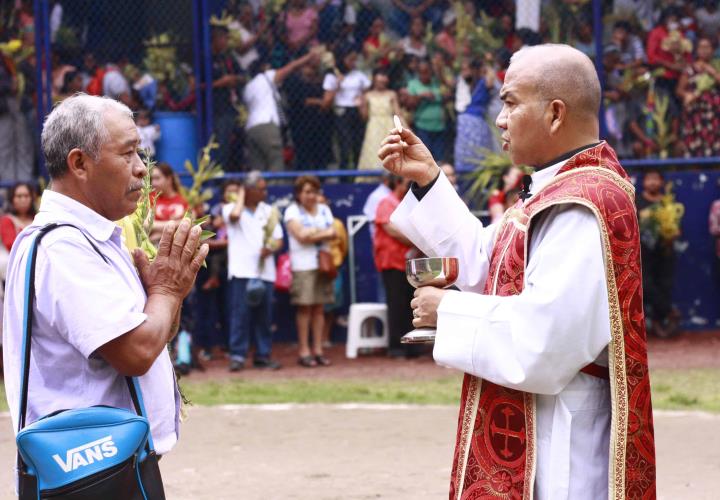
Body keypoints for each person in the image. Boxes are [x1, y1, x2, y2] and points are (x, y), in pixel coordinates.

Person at [379, 44, 655, 498]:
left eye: (510, 102)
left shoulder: (586, 204)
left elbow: (543, 344)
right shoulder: (554, 191)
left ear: (555, 113)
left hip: (563, 440)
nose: (499, 119)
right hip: (540, 419)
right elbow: (486, 263)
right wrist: (428, 179)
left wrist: (447, 310)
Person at [3, 94, 208, 463]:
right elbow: (136, 352)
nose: (142, 169)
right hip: (92, 472)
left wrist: (167, 297)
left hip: (111, 465)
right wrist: (165, 289)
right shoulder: (62, 246)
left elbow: (154, 333)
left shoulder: (95, 236)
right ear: (79, 163)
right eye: (128, 153)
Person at [222, 171, 284, 371]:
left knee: (264, 317)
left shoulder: (269, 210)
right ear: (248, 190)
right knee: (240, 316)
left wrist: (271, 248)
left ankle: (262, 355)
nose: (265, 192)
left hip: (265, 272)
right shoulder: (231, 207)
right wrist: (241, 194)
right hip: (241, 271)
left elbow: (278, 239)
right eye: (260, 189)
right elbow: (234, 217)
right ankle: (238, 355)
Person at [284, 175, 336, 367]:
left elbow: (335, 233)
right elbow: (301, 237)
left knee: (320, 308)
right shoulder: (291, 211)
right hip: (303, 265)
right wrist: (322, 233)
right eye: (307, 192)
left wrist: (311, 233)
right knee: (305, 308)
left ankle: (318, 350)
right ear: (298, 194)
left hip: (323, 264)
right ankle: (304, 351)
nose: (311, 196)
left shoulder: (324, 209)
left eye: (314, 191)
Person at [243, 49, 320, 172]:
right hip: (267, 124)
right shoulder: (265, 77)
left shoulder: (248, 87)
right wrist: (308, 57)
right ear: (263, 68)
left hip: (251, 128)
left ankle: (257, 190)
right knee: (276, 162)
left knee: (258, 167)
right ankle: (276, 190)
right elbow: (290, 67)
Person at [373, 175, 417, 358]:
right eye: (407, 183)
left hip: (411, 263)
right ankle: (395, 346)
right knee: (396, 304)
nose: (410, 188)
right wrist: (419, 240)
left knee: (411, 305)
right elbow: (394, 231)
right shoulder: (387, 202)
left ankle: (410, 346)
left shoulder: (410, 204)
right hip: (392, 262)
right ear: (397, 183)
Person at [637, 169, 680, 338]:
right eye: (650, 179)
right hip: (643, 252)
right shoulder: (637, 201)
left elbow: (676, 226)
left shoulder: (667, 203)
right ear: (644, 182)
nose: (653, 182)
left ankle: (657, 322)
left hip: (664, 251)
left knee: (664, 285)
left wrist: (672, 232)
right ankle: (670, 312)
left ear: (662, 182)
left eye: (656, 179)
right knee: (646, 285)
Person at [322, 45, 370, 169]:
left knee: (358, 145)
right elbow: (326, 102)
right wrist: (337, 85)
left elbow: (367, 90)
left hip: (357, 110)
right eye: (350, 60)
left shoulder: (358, 75)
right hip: (342, 112)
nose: (353, 63)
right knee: (345, 145)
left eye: (355, 60)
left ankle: (358, 175)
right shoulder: (332, 76)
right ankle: (344, 177)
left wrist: (362, 100)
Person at [676, 37, 720, 157]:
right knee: (695, 146)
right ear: (697, 50)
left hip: (714, 114)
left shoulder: (717, 66)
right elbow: (679, 90)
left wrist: (712, 72)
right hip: (695, 113)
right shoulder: (690, 69)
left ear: (712, 50)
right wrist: (687, 95)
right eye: (701, 47)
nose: (704, 50)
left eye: (707, 47)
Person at [210, 24, 244, 171]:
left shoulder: (228, 58)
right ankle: (218, 176)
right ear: (215, 39)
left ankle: (235, 173)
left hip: (232, 107)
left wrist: (234, 79)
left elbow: (243, 76)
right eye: (223, 38)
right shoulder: (207, 59)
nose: (226, 41)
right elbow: (198, 87)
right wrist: (220, 83)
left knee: (237, 143)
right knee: (220, 145)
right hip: (216, 108)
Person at [454, 58, 496, 171]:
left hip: (474, 120)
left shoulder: (482, 82)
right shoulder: (465, 84)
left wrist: (485, 64)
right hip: (471, 121)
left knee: (476, 151)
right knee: (471, 152)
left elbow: (491, 79)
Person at [358, 69, 401, 172]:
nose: (382, 81)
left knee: (391, 150)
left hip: (389, 125)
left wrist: (403, 128)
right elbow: (364, 117)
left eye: (384, 79)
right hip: (373, 127)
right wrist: (361, 105)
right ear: (374, 79)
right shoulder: (367, 95)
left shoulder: (392, 94)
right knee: (374, 152)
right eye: (380, 78)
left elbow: (398, 113)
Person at [405, 59, 446, 160]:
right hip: (422, 127)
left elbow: (447, 94)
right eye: (422, 72)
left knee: (439, 158)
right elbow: (408, 105)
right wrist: (421, 96)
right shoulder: (413, 84)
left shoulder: (436, 83)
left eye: (427, 72)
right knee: (425, 158)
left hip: (439, 126)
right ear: (418, 73)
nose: (425, 75)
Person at [150, 162, 189, 243]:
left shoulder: (183, 200)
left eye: (157, 178)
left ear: (169, 179)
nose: (153, 183)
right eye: (152, 179)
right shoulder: (150, 198)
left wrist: (159, 233)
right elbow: (147, 224)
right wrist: (177, 224)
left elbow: (190, 224)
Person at [0, 182, 36, 252]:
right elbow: (11, 245)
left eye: (26, 196)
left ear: (32, 199)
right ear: (12, 199)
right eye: (19, 196)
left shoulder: (37, 219)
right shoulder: (7, 220)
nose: (23, 200)